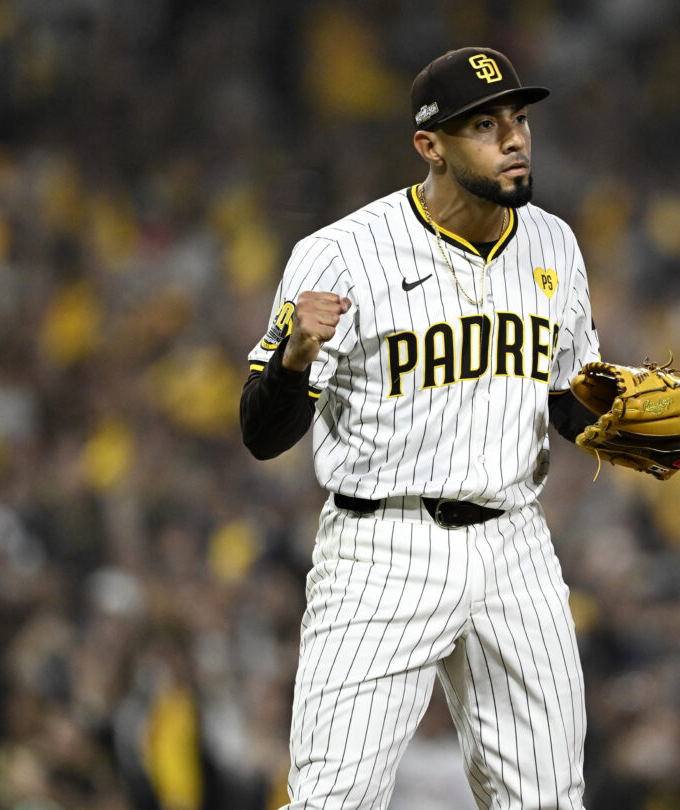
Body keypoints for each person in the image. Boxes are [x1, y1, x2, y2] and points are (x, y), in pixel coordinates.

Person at [240, 47, 610, 809]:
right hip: (382, 551)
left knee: (549, 799)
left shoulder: (554, 245)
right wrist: (295, 358)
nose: (513, 139)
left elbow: (560, 398)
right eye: (484, 125)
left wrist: (614, 422)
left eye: (519, 119)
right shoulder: (342, 255)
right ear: (430, 145)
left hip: (516, 544)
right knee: (331, 802)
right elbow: (261, 432)